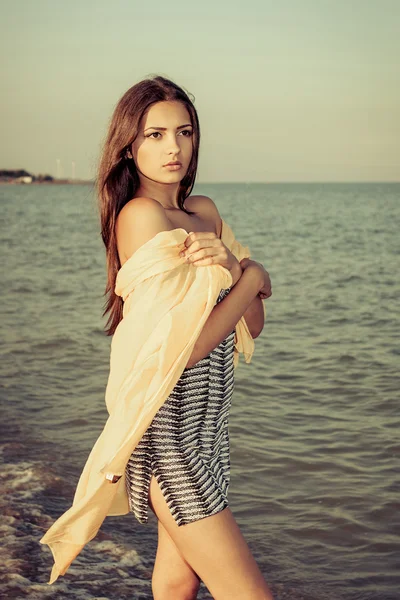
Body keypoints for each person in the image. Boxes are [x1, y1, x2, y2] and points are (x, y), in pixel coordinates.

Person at [97, 74, 273, 600]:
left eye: (184, 131)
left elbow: (252, 326)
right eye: (154, 134)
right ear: (129, 146)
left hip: (211, 433)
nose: (172, 147)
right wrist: (254, 277)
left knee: (177, 584)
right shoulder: (140, 216)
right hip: (170, 441)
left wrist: (236, 274)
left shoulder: (204, 213)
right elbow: (188, 351)